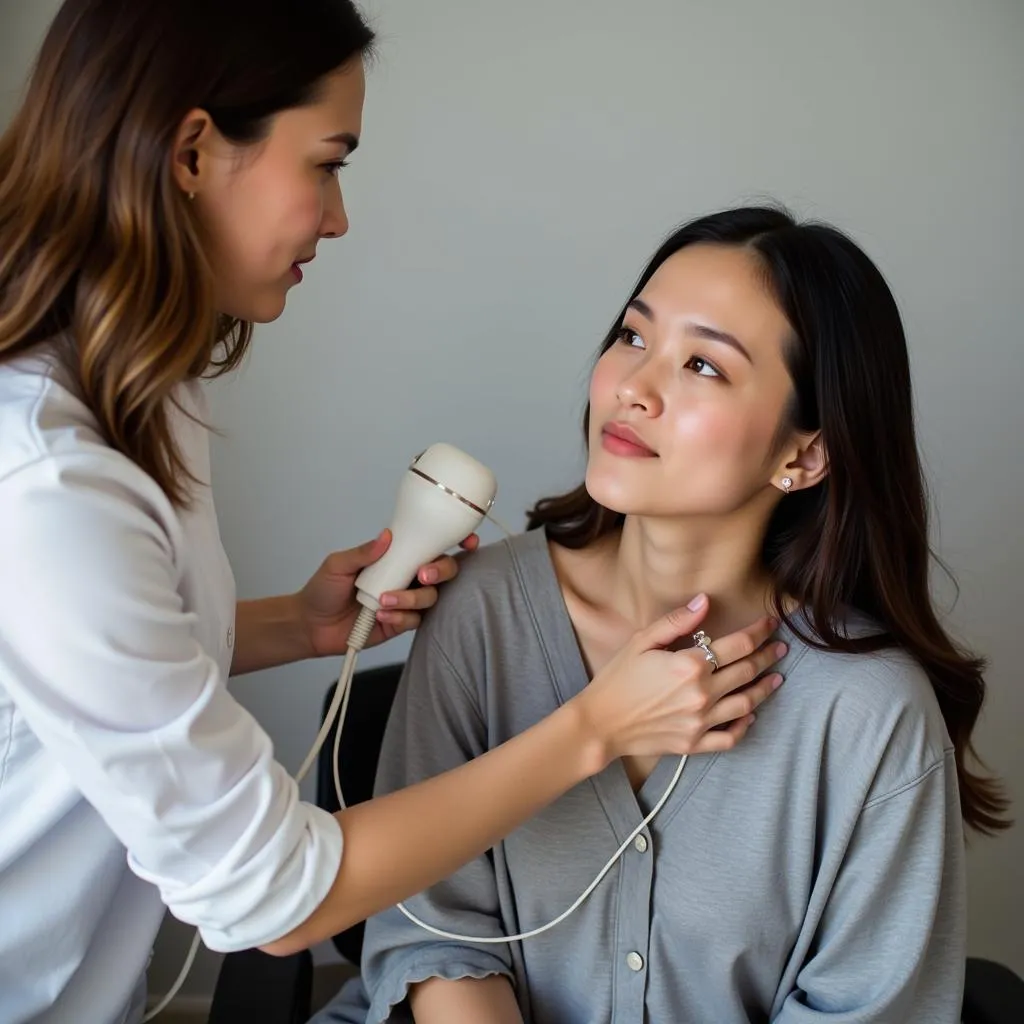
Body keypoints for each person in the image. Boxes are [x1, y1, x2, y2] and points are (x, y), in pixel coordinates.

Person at [0, 4, 792, 1023]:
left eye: (700, 363)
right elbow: (274, 897)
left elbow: (71, 657)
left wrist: (297, 622)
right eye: (328, 162)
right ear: (192, 151)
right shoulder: (48, 483)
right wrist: (595, 727)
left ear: (804, 448)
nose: (338, 217)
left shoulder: (139, 389)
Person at [318, 206, 1010, 1024]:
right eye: (633, 338)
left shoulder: (870, 713)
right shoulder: (482, 608)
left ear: (804, 454)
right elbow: (434, 933)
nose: (634, 389)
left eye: (705, 366)